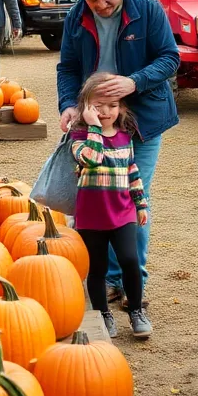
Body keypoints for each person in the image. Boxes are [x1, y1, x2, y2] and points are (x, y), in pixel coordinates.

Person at [58, 0, 180, 307]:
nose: (100, 5)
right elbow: (67, 66)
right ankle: (110, 279)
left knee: (130, 198)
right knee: (99, 196)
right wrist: (69, 104)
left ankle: (130, 282)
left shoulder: (146, 7)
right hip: (95, 123)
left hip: (141, 119)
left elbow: (170, 58)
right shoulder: (76, 15)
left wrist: (133, 82)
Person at [70, 71, 152, 339]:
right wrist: (93, 127)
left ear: (122, 108)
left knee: (130, 259)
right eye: (98, 106)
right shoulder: (79, 138)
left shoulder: (125, 137)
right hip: (91, 216)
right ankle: (103, 313)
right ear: (85, 107)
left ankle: (136, 311)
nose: (106, 112)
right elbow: (91, 159)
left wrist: (140, 204)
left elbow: (132, 172)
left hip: (122, 212)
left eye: (113, 106)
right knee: (97, 269)